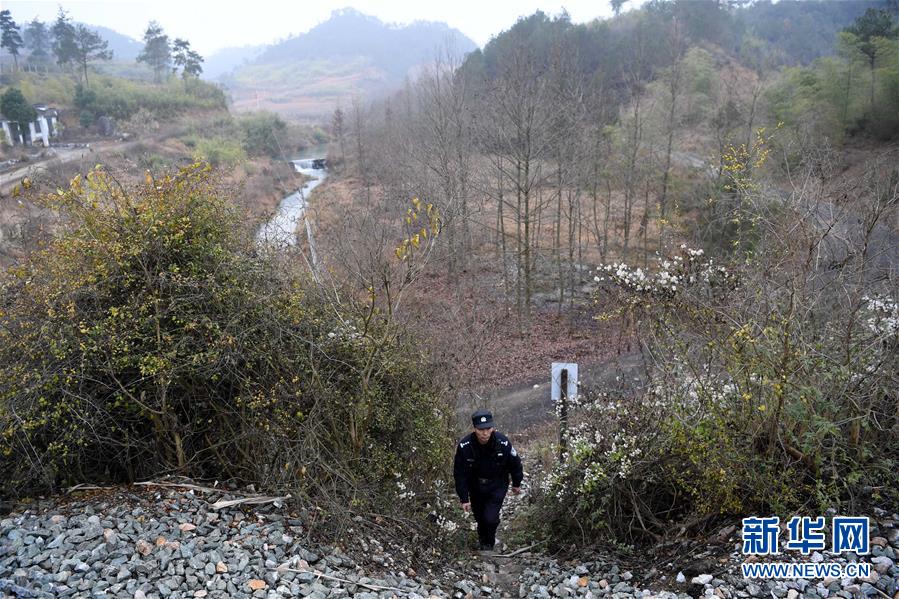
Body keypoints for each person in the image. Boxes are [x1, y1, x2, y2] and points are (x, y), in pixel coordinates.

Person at [453, 409, 523, 553]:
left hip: (497, 484)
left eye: (488, 429)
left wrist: (516, 483)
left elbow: (515, 463)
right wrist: (464, 498)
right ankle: (482, 539)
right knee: (480, 517)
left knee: (490, 518)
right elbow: (459, 474)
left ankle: (488, 544)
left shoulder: (502, 442)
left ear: (492, 428)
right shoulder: (465, 446)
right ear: (474, 429)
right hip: (475, 486)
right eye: (481, 430)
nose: (485, 433)